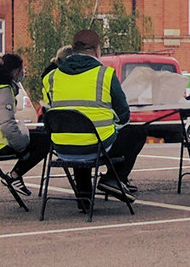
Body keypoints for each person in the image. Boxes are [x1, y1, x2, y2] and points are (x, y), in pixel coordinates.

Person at [41, 29, 146, 208]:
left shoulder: (50, 77)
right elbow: (123, 115)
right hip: (97, 147)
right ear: (97, 50)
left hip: (62, 148)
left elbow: (52, 113)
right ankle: (113, 178)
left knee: (76, 132)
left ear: (72, 50)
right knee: (137, 131)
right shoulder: (105, 74)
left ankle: (84, 199)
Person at [0, 53, 51, 196]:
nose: (23, 73)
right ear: (15, 71)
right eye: (22, 69)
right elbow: (6, 124)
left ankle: (15, 176)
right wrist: (21, 146)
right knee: (45, 141)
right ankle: (14, 176)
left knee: (39, 136)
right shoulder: (2, 90)